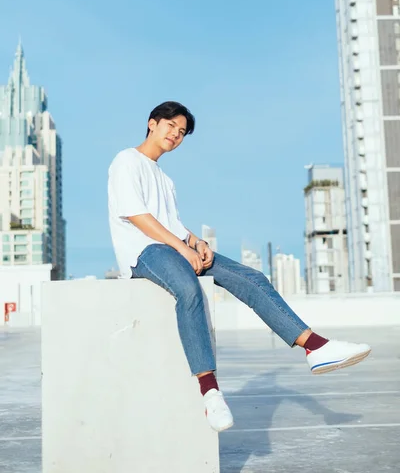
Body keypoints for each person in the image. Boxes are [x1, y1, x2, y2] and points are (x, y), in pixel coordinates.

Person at [108, 101, 371, 433]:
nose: (176, 134)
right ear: (151, 123)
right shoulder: (126, 161)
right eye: (171, 126)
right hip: (143, 252)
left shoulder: (164, 178)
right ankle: (210, 394)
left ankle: (315, 347)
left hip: (173, 247)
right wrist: (180, 248)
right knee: (188, 289)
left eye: (182, 132)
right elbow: (137, 216)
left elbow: (172, 224)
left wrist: (196, 243)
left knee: (252, 277)